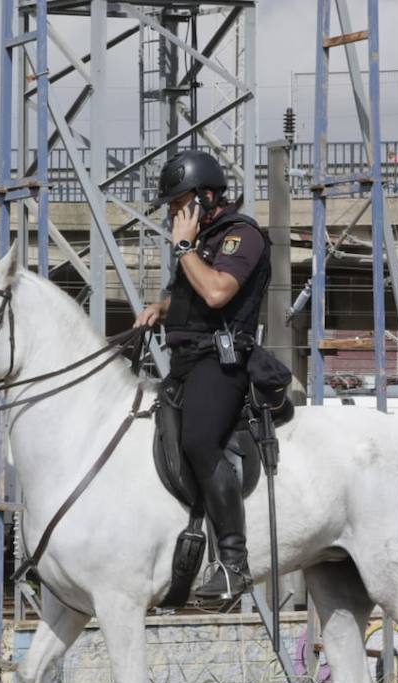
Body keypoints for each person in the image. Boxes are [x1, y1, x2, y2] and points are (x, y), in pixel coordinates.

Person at [134, 149, 272, 605]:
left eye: (180, 203)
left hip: (223, 362)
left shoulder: (241, 236)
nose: (174, 213)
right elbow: (189, 292)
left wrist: (184, 248)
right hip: (185, 361)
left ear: (207, 197)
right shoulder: (203, 239)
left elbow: (215, 291)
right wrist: (162, 307)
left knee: (198, 440)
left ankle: (234, 564)